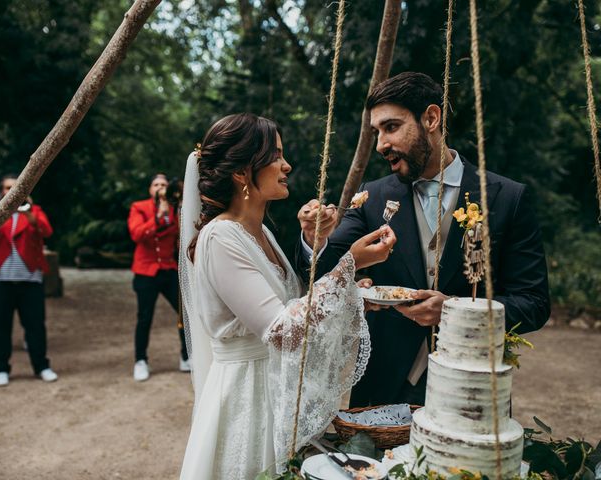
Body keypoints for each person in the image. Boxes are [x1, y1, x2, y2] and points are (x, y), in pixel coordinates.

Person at [297, 72, 550, 408]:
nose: (381, 144)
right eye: (376, 132)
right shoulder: (371, 197)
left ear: (431, 118)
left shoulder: (506, 198)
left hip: (469, 387)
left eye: (391, 127)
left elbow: (534, 303)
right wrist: (314, 238)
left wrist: (455, 310)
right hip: (382, 386)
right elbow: (321, 268)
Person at [178, 113, 396, 479]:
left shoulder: (261, 232)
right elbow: (283, 330)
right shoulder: (220, 238)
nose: (287, 165)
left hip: (276, 391)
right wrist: (348, 266)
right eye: (276, 155)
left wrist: (350, 293)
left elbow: (294, 306)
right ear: (242, 172)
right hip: (247, 398)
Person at [0, 174, 58, 387]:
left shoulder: (33, 211)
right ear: (0, 191)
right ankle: (1, 368)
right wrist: (0, 208)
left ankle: (42, 366)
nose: (10, 191)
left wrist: (29, 211)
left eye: (15, 187)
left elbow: (46, 230)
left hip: (29, 280)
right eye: (6, 188)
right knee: (0, 327)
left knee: (35, 326)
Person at [128, 173, 189, 381]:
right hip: (145, 271)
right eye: (156, 184)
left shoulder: (175, 208)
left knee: (184, 313)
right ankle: (140, 360)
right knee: (145, 317)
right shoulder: (139, 207)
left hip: (168, 269)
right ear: (150, 189)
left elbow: (181, 236)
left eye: (164, 184)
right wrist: (157, 218)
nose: (161, 187)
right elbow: (136, 235)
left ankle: (186, 356)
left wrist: (178, 208)